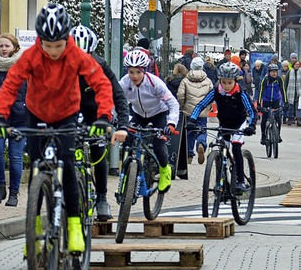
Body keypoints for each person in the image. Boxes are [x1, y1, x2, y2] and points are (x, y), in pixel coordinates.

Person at [0, 3, 114, 253]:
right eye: (47, 46)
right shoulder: (31, 56)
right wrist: (0, 117)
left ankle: (73, 225)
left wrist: (103, 117)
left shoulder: (77, 55)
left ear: (66, 39)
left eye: (58, 45)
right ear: (40, 41)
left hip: (67, 114)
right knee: (38, 169)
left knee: (67, 165)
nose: (53, 51)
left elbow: (101, 84)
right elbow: (11, 85)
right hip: (36, 113)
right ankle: (34, 229)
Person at [71, 25, 129, 220]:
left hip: (94, 112)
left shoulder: (100, 66)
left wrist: (122, 126)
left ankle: (102, 198)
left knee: (98, 149)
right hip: (69, 111)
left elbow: (119, 96)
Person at [190, 62, 257, 194]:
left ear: (234, 81)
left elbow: (252, 111)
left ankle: (240, 181)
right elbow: (201, 105)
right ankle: (220, 181)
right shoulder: (216, 92)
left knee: (236, 146)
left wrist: (252, 125)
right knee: (220, 147)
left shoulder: (241, 93)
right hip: (224, 124)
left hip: (239, 124)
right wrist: (192, 119)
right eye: (223, 82)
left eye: (229, 83)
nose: (226, 86)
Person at [120, 49, 180, 193]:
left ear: (144, 71)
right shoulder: (124, 82)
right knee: (127, 142)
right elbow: (112, 100)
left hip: (158, 113)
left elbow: (173, 103)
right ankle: (126, 174)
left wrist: (171, 123)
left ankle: (165, 170)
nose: (134, 76)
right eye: (131, 72)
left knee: (158, 145)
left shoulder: (155, 83)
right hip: (138, 114)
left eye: (138, 72)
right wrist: (112, 117)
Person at [0, 34, 26, 207]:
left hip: (20, 118)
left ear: (15, 48)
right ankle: (1, 187)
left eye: (7, 46)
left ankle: (14, 193)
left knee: (15, 157)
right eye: (1, 46)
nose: (3, 49)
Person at [178, 57, 213, 165]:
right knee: (202, 130)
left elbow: (180, 95)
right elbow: (212, 94)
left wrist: (183, 105)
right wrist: (209, 105)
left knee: (189, 132)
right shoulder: (207, 81)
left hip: (189, 111)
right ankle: (201, 143)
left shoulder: (186, 80)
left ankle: (189, 154)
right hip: (202, 111)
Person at [258, 63, 286, 144]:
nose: (274, 73)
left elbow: (283, 91)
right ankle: (263, 136)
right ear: (269, 72)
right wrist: (259, 104)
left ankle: (278, 135)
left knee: (278, 118)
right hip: (266, 101)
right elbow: (260, 92)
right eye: (272, 71)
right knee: (264, 119)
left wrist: (286, 102)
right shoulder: (265, 80)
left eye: (276, 71)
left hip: (276, 101)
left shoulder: (279, 79)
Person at [286, 60, 301, 127]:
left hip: (299, 91)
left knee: (299, 106)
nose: (297, 66)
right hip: (291, 91)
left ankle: (298, 120)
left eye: (298, 64)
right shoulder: (290, 72)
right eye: (296, 64)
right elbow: (286, 81)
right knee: (291, 106)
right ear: (293, 65)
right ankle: (290, 119)